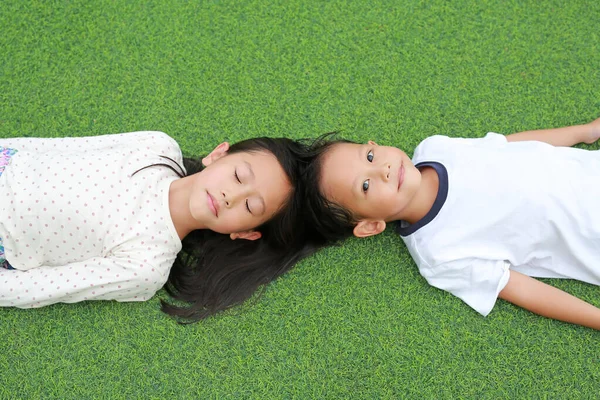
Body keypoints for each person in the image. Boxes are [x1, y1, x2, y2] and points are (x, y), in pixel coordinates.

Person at [304, 117, 600, 330]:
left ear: (374, 144)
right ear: (369, 226)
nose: (384, 169)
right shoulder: (438, 253)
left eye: (370, 156)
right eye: (365, 186)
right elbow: (524, 290)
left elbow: (510, 146)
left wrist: (584, 131)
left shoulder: (436, 149)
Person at [0, 131, 316, 322]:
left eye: (250, 206)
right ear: (218, 155)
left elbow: (44, 287)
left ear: (245, 233)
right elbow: (62, 148)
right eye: (238, 176)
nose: (231, 196)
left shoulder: (147, 266)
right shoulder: (157, 146)